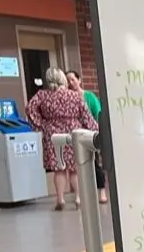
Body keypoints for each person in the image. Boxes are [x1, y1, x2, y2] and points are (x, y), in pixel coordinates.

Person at [25, 66, 99, 210]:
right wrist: (95, 131)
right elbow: (86, 115)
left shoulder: (42, 95)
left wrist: (41, 124)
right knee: (74, 168)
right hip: (73, 132)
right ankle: (78, 198)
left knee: (59, 168)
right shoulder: (74, 96)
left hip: (53, 134)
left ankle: (60, 199)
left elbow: (30, 109)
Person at [65, 69, 108, 204]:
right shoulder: (67, 99)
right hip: (75, 135)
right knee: (77, 166)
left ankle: (102, 191)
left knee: (95, 163)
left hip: (90, 134)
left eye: (73, 79)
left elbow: (98, 113)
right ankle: (82, 194)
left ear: (79, 80)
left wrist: (98, 132)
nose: (70, 83)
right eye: (68, 80)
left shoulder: (89, 96)